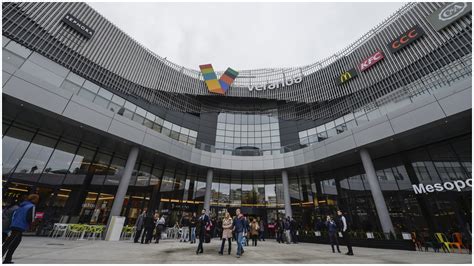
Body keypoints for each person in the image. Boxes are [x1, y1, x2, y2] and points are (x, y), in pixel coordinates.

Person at [3, 194, 39, 264]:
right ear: (34, 199)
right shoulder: (32, 206)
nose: (37, 200)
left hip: (15, 224)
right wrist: (33, 224)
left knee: (14, 243)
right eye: (37, 199)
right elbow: (30, 218)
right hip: (20, 226)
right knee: (9, 243)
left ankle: (8, 259)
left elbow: (16, 214)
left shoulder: (22, 205)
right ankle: (6, 259)